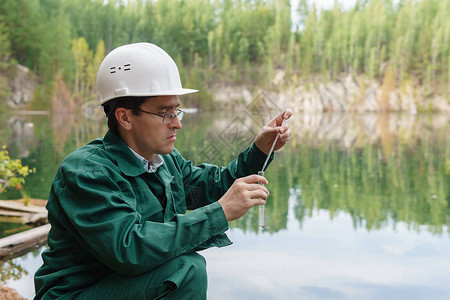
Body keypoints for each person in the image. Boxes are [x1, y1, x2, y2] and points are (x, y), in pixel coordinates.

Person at [34, 42, 292, 299]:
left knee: (183, 267)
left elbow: (213, 186)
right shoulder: (86, 172)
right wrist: (219, 213)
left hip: (126, 285)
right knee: (186, 270)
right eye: (165, 113)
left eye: (176, 111)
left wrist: (260, 149)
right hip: (75, 294)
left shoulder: (163, 160)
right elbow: (129, 249)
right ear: (125, 117)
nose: (178, 124)